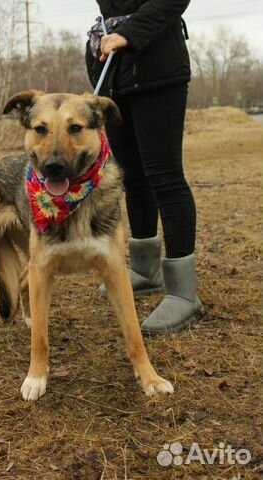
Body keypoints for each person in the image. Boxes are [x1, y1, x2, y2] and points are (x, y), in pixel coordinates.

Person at [86, 0, 203, 335]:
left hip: (158, 69)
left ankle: (183, 293)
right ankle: (144, 270)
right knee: (133, 179)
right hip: (116, 77)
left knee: (165, 177)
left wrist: (128, 33)